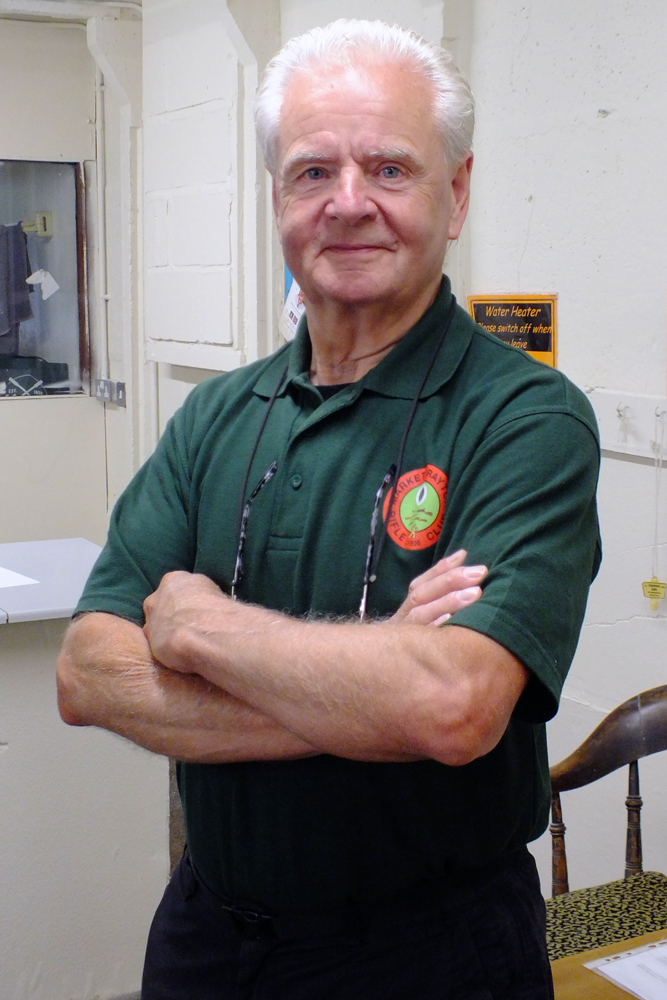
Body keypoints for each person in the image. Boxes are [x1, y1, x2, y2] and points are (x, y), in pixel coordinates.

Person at [57, 19, 601, 1000]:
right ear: (278, 198)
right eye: (313, 173)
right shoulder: (214, 417)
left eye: (390, 168)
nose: (349, 204)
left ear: (457, 191)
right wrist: (371, 679)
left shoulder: (524, 417)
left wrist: (199, 624)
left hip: (432, 951)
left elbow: (453, 703)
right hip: (205, 937)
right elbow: (89, 674)